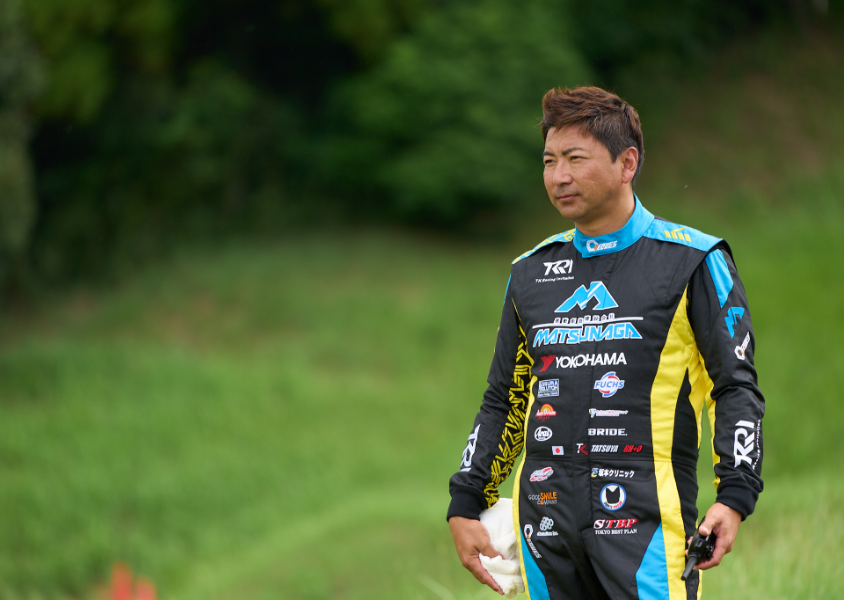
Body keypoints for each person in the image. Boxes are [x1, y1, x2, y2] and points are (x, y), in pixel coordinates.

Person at [446, 86, 764, 600]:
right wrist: (466, 498)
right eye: (549, 161)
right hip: (545, 522)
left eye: (575, 159)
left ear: (627, 163)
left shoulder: (694, 260)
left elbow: (735, 387)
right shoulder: (529, 273)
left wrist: (736, 492)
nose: (559, 176)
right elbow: (505, 398)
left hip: (647, 521)